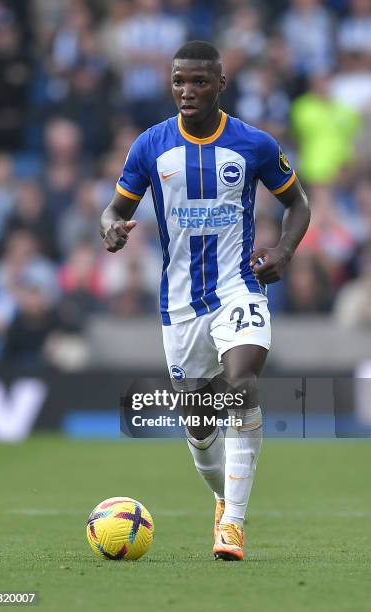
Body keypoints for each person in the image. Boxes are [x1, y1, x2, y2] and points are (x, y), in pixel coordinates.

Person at [100, 40, 310, 561]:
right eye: (178, 81)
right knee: (199, 425)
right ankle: (222, 499)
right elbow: (112, 209)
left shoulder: (254, 144)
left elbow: (298, 204)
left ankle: (232, 526)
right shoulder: (150, 146)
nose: (187, 91)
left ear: (220, 84)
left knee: (240, 387)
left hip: (240, 286)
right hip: (179, 307)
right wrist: (112, 230)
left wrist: (283, 251)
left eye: (198, 81)